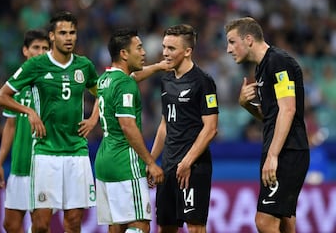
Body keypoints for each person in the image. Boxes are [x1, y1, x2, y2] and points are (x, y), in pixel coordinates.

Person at [0, 11, 99, 233]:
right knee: (40, 224)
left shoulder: (84, 65)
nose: (68, 37)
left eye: (72, 33)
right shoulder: (37, 65)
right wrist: (29, 112)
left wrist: (93, 119)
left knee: (73, 221)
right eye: (63, 33)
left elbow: (103, 93)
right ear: (52, 36)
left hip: (76, 152)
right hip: (45, 152)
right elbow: (0, 96)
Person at [225, 17, 310, 233]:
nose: (228, 49)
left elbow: (288, 109)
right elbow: (272, 116)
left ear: (249, 39)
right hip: (281, 149)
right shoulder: (263, 68)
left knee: (265, 221)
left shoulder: (278, 62)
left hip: (287, 151)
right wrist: (246, 105)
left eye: (232, 42)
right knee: (285, 222)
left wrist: (273, 156)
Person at [94, 28, 165, 233]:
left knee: (116, 226)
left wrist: (158, 67)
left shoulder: (105, 79)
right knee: (140, 225)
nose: (144, 53)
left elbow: (133, 77)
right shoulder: (125, 84)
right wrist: (150, 162)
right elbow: (127, 125)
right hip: (125, 161)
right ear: (124, 54)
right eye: (139, 48)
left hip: (104, 160)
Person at [150, 24, 219, 233]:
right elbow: (164, 124)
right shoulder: (166, 80)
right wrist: (152, 160)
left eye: (171, 48)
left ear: (187, 51)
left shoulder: (203, 82)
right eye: (164, 47)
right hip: (168, 166)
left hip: (193, 168)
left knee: (195, 227)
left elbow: (211, 128)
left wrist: (187, 162)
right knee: (165, 227)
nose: (164, 53)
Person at [0, 29, 50, 233]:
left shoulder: (53, 83)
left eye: (45, 48)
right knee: (10, 225)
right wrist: (0, 162)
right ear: (25, 51)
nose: (41, 52)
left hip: (43, 165)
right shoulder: (15, 86)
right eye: (36, 47)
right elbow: (10, 126)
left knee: (41, 225)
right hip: (19, 164)